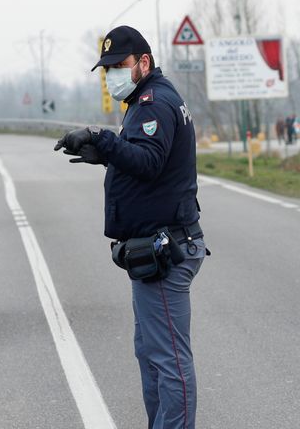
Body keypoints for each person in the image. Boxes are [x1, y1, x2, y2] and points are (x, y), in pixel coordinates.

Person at [54, 26, 208, 429]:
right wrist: (104, 156)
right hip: (154, 248)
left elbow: (149, 162)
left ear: (144, 61)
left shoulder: (155, 101)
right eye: (106, 69)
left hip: (166, 249)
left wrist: (101, 140)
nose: (111, 75)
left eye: (118, 66)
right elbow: (144, 160)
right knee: (152, 355)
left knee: (170, 360)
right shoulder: (143, 100)